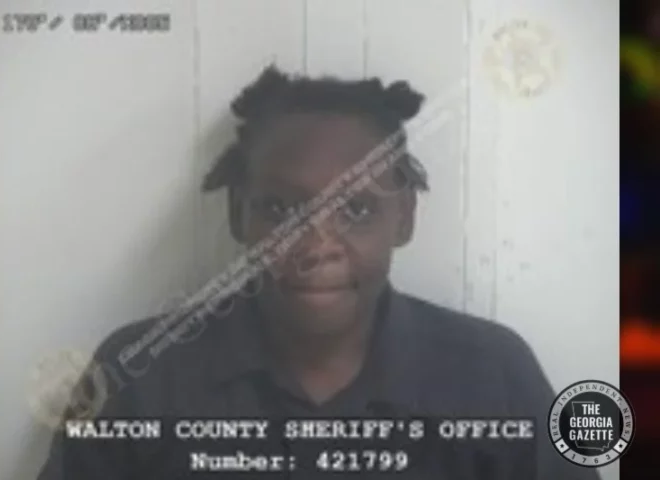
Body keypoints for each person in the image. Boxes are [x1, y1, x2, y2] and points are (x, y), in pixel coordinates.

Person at [37, 66, 599, 479]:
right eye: (280, 209)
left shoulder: (492, 374)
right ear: (238, 214)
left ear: (404, 219)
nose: (314, 247)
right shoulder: (139, 372)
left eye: (357, 210)